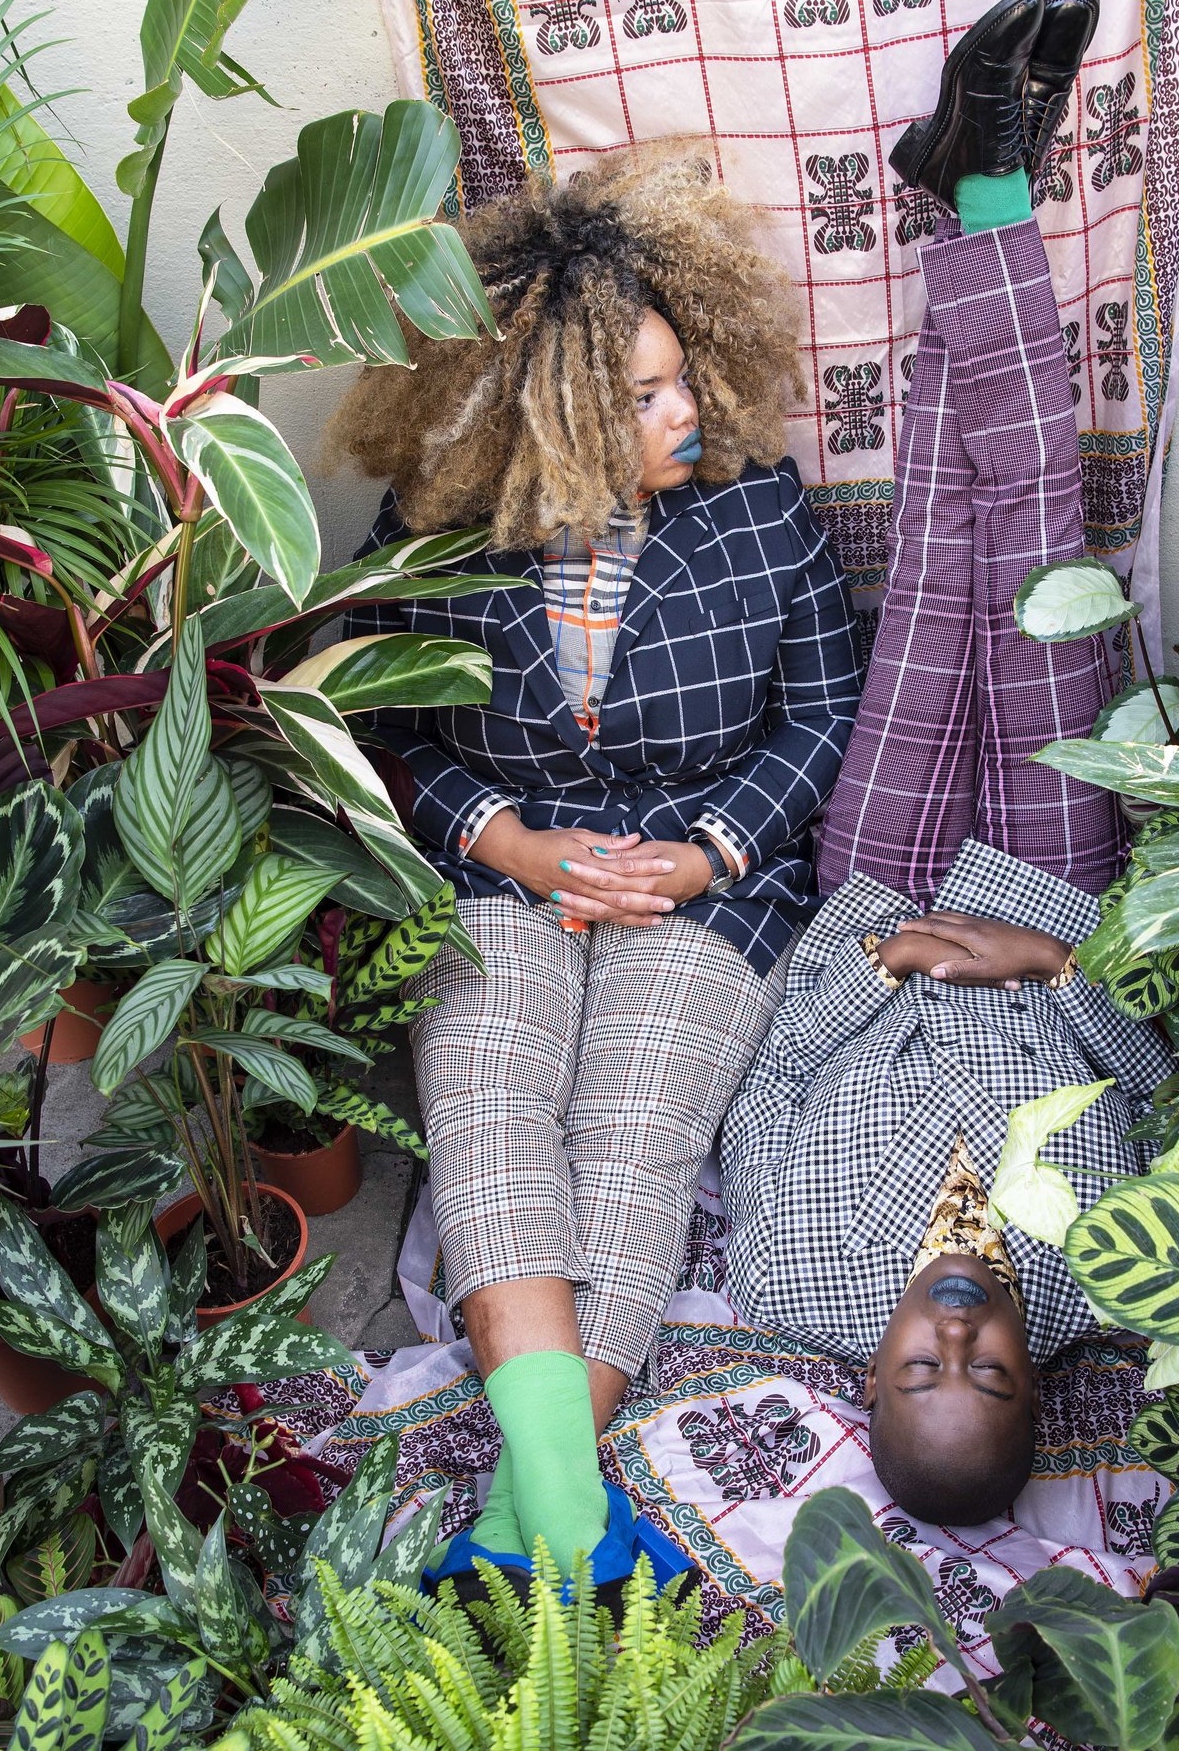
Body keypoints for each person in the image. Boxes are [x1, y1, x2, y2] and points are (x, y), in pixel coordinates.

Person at [329, 146, 863, 1570]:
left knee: (636, 1130)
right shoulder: (438, 530)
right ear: (546, 406)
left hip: (708, 884)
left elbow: (823, 712)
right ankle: (570, 1512)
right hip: (503, 867)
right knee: (486, 1100)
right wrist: (508, 840)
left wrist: (704, 854)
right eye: (641, 395)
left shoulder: (758, 506)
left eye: (682, 378)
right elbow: (376, 721)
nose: (686, 411)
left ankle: (538, 1498)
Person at [721, 0, 1169, 1530]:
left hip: (886, 893)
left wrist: (889, 954)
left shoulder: (797, 1276)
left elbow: (770, 1083)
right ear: (1041, 1382)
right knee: (1038, 541)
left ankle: (972, 188)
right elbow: (1156, 1077)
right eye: (992, 1372)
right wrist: (1047, 962)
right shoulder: (1103, 1269)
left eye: (927, 1372)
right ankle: (986, 184)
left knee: (937, 544)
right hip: (1052, 892)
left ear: (871, 1380)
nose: (962, 1338)